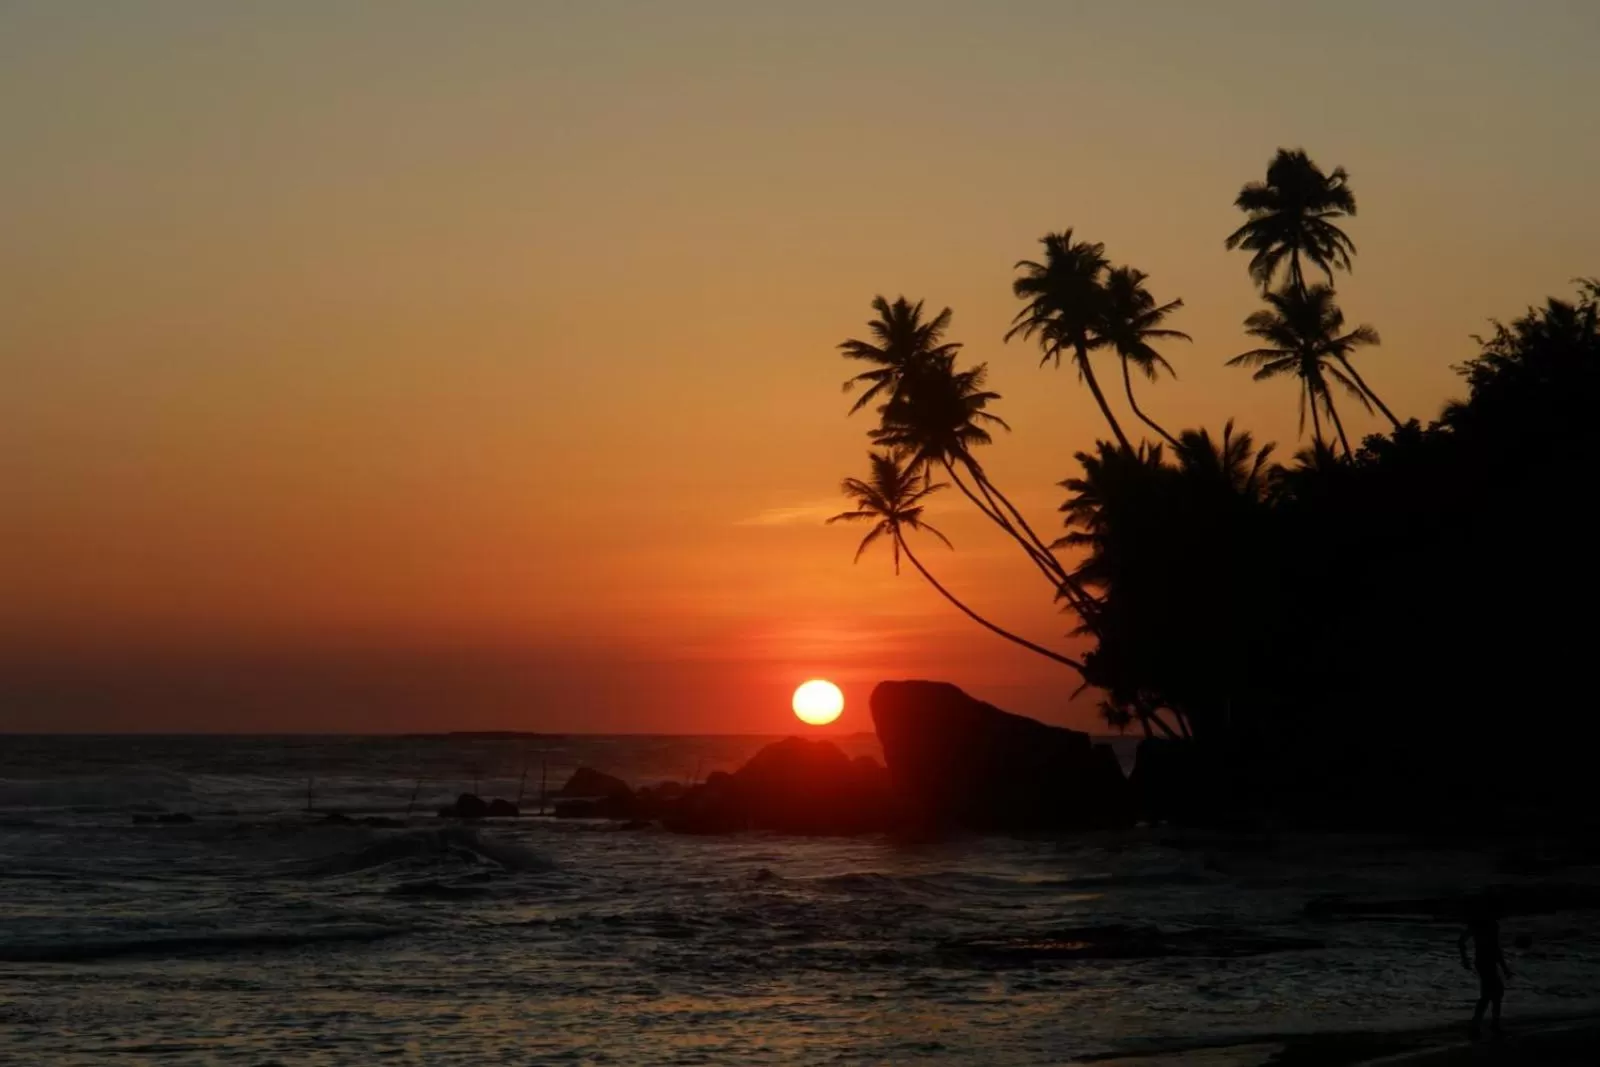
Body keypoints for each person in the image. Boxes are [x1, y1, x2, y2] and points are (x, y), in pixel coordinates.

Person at [1459, 901, 1512, 1037]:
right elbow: (1495, 948)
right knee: (1492, 993)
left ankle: (1485, 1023)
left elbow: (1461, 941)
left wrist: (1464, 958)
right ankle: (1483, 1024)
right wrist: (1504, 968)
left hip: (1484, 962)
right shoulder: (1488, 925)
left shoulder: (1483, 924)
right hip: (1485, 962)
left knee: (1493, 992)